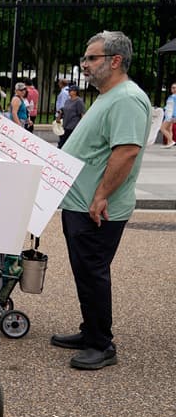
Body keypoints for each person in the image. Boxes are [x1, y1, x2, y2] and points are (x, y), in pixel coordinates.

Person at [52, 31, 151, 370]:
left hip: (97, 207)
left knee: (93, 271)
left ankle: (101, 344)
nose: (85, 65)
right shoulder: (110, 96)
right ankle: (89, 330)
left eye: (91, 58)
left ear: (115, 60)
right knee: (85, 271)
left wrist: (100, 196)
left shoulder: (126, 98)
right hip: (81, 203)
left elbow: (126, 152)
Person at [162, 82, 176, 147]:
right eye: (172, 87)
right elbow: (168, 106)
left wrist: (174, 116)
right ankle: (169, 144)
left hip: (170, 116)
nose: (173, 89)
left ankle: (171, 141)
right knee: (169, 129)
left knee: (162, 128)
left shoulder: (175, 97)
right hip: (168, 115)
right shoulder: (171, 96)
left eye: (175, 88)